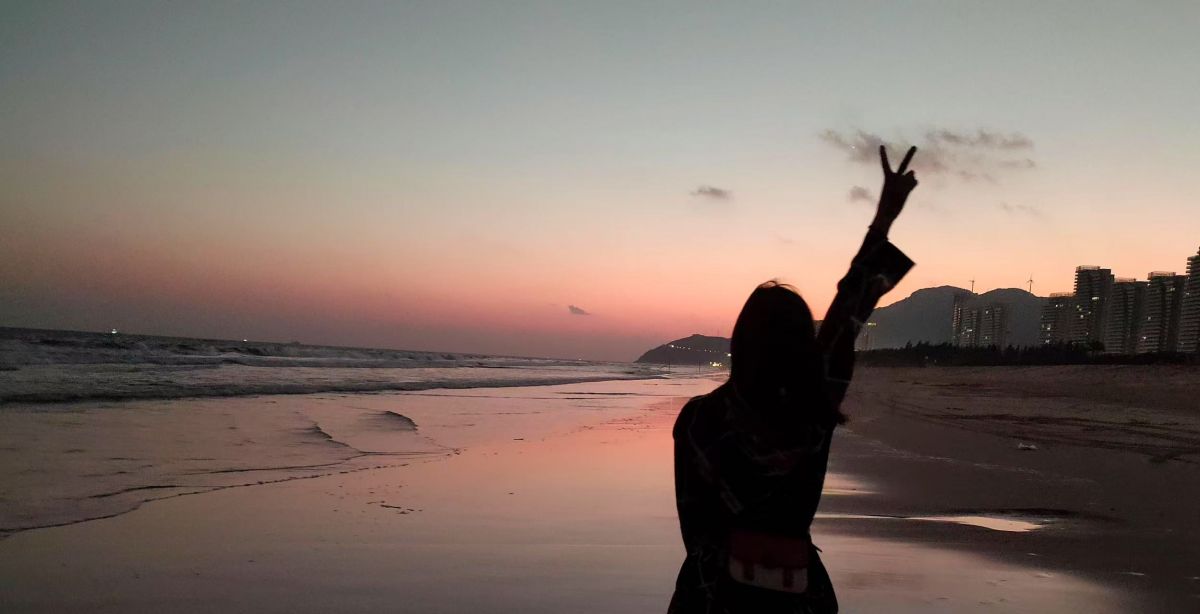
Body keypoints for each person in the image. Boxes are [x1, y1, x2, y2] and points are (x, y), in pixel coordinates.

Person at [668, 146, 919, 613]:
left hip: (713, 596)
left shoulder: (700, 421)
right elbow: (848, 312)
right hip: (801, 597)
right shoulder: (815, 407)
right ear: (805, 345)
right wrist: (884, 218)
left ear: (741, 342)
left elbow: (694, 527)